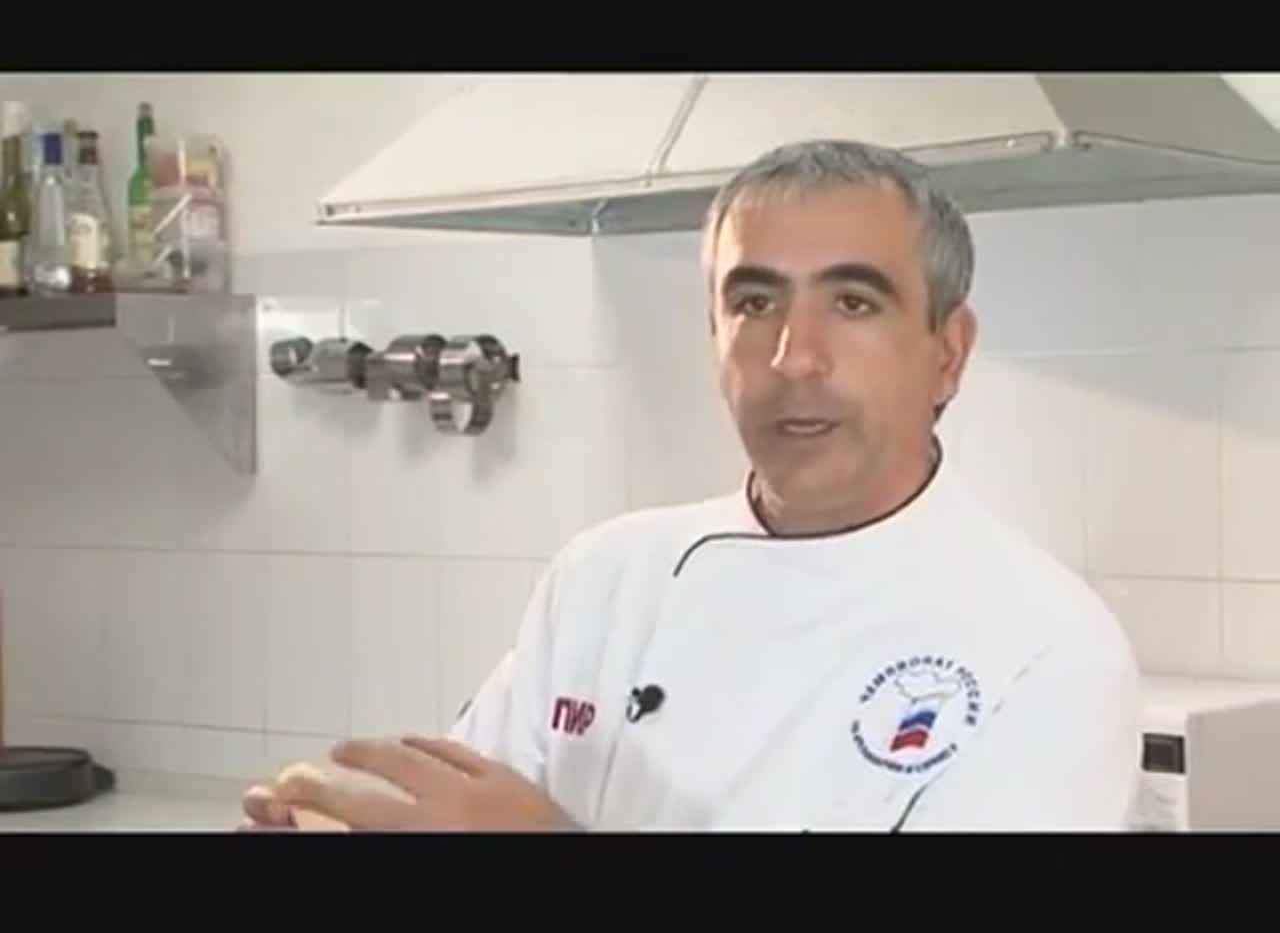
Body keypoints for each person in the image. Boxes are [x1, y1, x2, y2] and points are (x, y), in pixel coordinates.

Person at [242, 138, 1140, 833]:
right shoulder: (604, 577)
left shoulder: (1045, 647)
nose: (794, 357)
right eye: (753, 303)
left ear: (948, 352)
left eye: (853, 302)